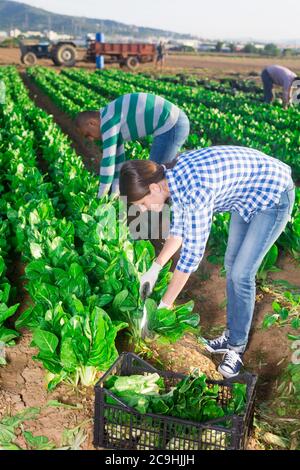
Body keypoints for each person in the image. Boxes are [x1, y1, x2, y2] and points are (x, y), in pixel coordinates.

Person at [119, 146, 295, 378]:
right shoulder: (173, 180)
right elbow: (180, 229)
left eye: (142, 204)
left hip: (272, 197)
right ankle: (230, 336)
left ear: (153, 187)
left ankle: (236, 348)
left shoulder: (195, 189)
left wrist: (165, 304)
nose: (143, 210)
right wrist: (156, 266)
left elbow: (192, 255)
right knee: (232, 266)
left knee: (242, 274)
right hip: (244, 200)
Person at [74, 93, 189, 198]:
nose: (91, 139)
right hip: (173, 123)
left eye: (87, 134)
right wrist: (115, 193)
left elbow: (108, 163)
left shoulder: (108, 122)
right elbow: (118, 162)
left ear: (92, 123)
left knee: (154, 177)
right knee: (157, 176)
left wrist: (100, 197)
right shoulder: (109, 115)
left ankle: (157, 217)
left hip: (172, 125)